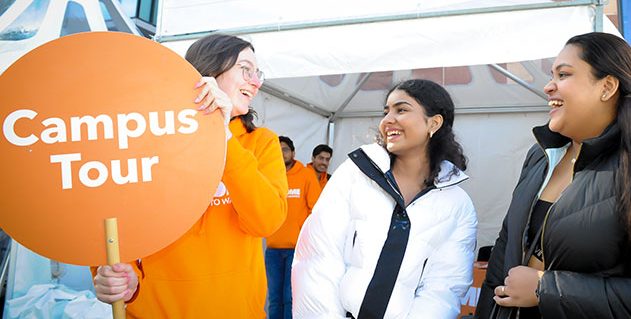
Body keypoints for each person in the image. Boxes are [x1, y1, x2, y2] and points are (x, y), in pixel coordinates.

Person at [475, 32, 631, 319]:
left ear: (606, 87)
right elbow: (502, 257)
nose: (548, 87)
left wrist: (547, 289)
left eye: (563, 75)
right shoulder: (540, 157)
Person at [92, 34, 289, 318]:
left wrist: (222, 137)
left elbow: (266, 221)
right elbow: (113, 218)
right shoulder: (146, 137)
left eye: (257, 73)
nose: (256, 82)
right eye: (245, 69)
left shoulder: (261, 143)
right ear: (209, 71)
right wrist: (124, 278)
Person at [292, 79, 478, 319]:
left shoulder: (457, 204)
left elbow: (444, 288)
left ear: (434, 122)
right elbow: (317, 259)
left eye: (401, 110)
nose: (387, 120)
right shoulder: (355, 174)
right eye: (386, 111)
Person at [266, 136, 322, 319]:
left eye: (285, 149)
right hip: (273, 248)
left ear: (293, 153)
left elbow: (316, 209)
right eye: (277, 149)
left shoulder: (306, 175)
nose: (281, 153)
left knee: (290, 297)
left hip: (297, 249)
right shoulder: (270, 174)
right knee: (274, 298)